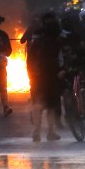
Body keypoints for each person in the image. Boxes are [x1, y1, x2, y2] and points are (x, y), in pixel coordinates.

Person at [26, 14, 64, 142]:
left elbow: (29, 61)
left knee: (38, 105)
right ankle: (50, 132)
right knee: (51, 106)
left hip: (37, 79)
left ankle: (36, 132)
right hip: (52, 78)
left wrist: (31, 75)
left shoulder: (37, 43)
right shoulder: (58, 44)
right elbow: (61, 61)